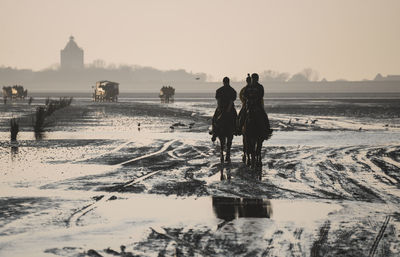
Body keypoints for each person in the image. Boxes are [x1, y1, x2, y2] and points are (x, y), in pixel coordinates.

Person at [242, 73, 271, 139]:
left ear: (257, 79)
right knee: (242, 115)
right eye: (253, 79)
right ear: (251, 79)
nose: (255, 80)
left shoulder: (260, 87)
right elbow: (244, 94)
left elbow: (261, 95)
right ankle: (238, 128)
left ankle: (267, 130)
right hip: (248, 105)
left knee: (264, 116)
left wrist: (255, 99)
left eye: (256, 79)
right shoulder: (248, 87)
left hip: (257, 105)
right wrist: (249, 99)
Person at [210, 77, 237, 141]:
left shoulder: (219, 90)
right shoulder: (232, 90)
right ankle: (236, 130)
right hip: (229, 108)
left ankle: (214, 132)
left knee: (214, 119)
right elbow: (231, 101)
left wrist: (220, 108)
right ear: (229, 82)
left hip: (222, 108)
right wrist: (228, 109)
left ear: (223, 82)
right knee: (236, 118)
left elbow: (219, 101)